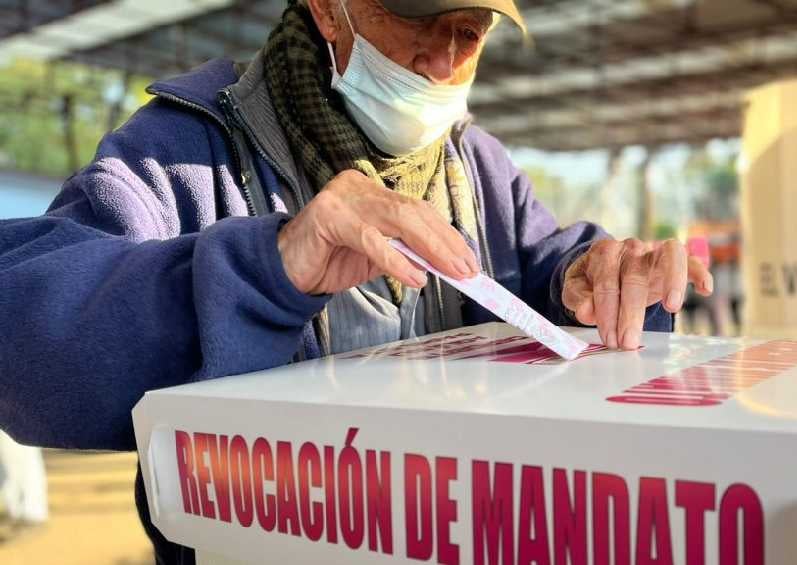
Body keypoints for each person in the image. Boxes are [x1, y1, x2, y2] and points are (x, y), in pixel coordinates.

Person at [0, 0, 712, 561]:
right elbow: (21, 341)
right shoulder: (188, 149)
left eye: (470, 31)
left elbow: (541, 270)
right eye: (410, 15)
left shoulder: (476, 166)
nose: (440, 59)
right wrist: (265, 266)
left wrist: (591, 281)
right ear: (325, 7)